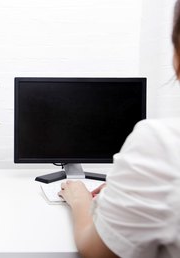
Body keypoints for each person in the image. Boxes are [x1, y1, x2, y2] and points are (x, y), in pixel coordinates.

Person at [58, 2, 180, 258]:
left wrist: (80, 199)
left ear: (177, 55)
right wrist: (131, 189)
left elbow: (96, 251)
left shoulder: (163, 143)